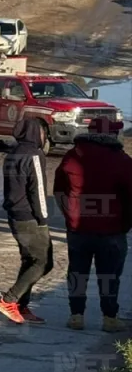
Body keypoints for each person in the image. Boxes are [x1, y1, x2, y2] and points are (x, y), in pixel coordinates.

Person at [54, 116, 132, 332]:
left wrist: (69, 215)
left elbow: (59, 189)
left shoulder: (72, 156)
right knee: (109, 275)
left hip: (79, 229)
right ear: (111, 135)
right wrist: (126, 224)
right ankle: (109, 318)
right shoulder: (122, 160)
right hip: (112, 230)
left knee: (77, 273)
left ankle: (76, 315)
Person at [0, 117, 54, 324]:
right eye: (43, 132)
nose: (45, 136)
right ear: (36, 133)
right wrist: (44, 218)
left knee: (30, 261)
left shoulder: (12, 154)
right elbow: (37, 191)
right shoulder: (34, 155)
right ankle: (9, 300)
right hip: (29, 217)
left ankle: (21, 305)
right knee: (43, 261)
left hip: (15, 215)